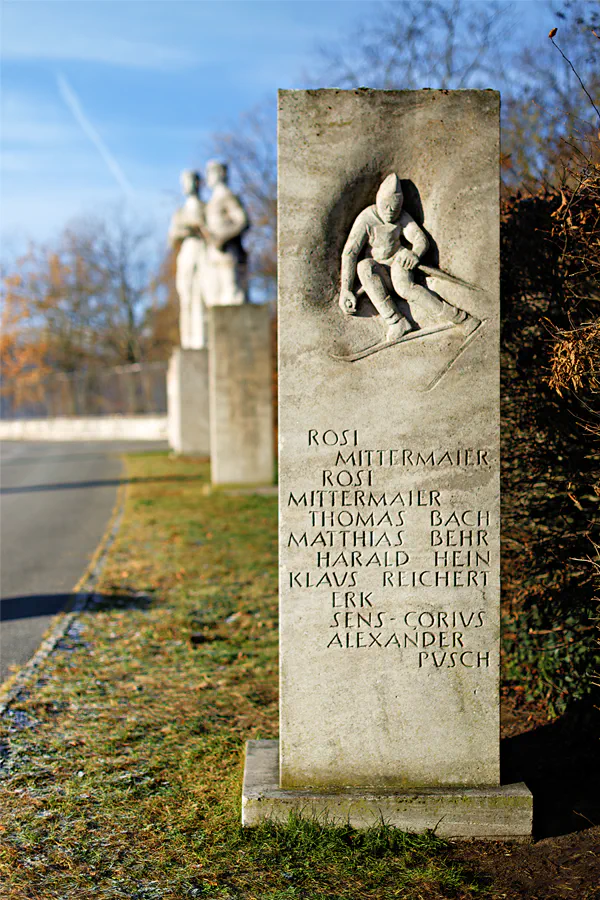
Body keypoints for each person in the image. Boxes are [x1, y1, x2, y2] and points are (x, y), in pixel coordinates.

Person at [339, 173, 469, 341]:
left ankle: (459, 317)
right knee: (364, 267)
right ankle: (396, 322)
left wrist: (415, 253)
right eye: (386, 206)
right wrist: (346, 289)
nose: (390, 211)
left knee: (404, 287)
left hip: (398, 264)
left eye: (395, 207)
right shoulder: (366, 218)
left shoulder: (402, 217)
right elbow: (350, 253)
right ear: (379, 201)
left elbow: (419, 238)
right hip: (378, 272)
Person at [202, 160, 250, 306]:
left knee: (231, 296)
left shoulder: (227, 196)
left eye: (210, 173)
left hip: (228, 251)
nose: (207, 177)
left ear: (221, 174)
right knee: (215, 298)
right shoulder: (212, 200)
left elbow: (242, 221)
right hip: (214, 253)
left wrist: (223, 238)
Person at [168, 170, 207, 349]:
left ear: (197, 183)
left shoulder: (205, 207)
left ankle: (202, 340)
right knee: (187, 297)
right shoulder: (180, 212)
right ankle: (189, 341)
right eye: (183, 182)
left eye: (189, 181)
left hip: (202, 251)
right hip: (187, 253)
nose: (186, 185)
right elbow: (172, 238)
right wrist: (186, 230)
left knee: (202, 295)